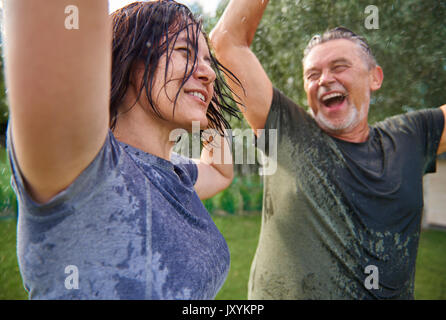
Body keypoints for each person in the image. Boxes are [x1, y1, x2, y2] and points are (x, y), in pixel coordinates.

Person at [4, 0, 240, 299]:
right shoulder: (86, 164)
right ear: (127, 60)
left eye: (208, 62)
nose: (209, 73)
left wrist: (203, 98)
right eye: (185, 51)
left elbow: (220, 171)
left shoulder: (176, 174)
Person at [211, 0, 446, 299]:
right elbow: (226, 40)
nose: (324, 80)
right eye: (312, 74)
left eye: (340, 67)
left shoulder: (410, 135)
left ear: (375, 77)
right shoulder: (287, 131)